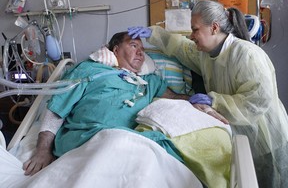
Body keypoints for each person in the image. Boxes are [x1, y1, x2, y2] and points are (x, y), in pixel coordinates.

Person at [128, 0, 288, 188]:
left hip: (266, 138)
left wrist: (215, 101)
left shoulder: (247, 55)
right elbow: (182, 48)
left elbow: (257, 101)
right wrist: (154, 34)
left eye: (195, 29)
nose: (191, 35)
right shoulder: (206, 55)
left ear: (214, 27)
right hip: (240, 137)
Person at [23, 31, 202, 176]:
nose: (141, 52)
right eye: (133, 45)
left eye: (142, 49)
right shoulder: (89, 69)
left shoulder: (150, 81)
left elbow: (173, 97)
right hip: (85, 138)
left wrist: (198, 100)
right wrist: (42, 151)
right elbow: (57, 108)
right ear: (115, 50)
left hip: (126, 140)